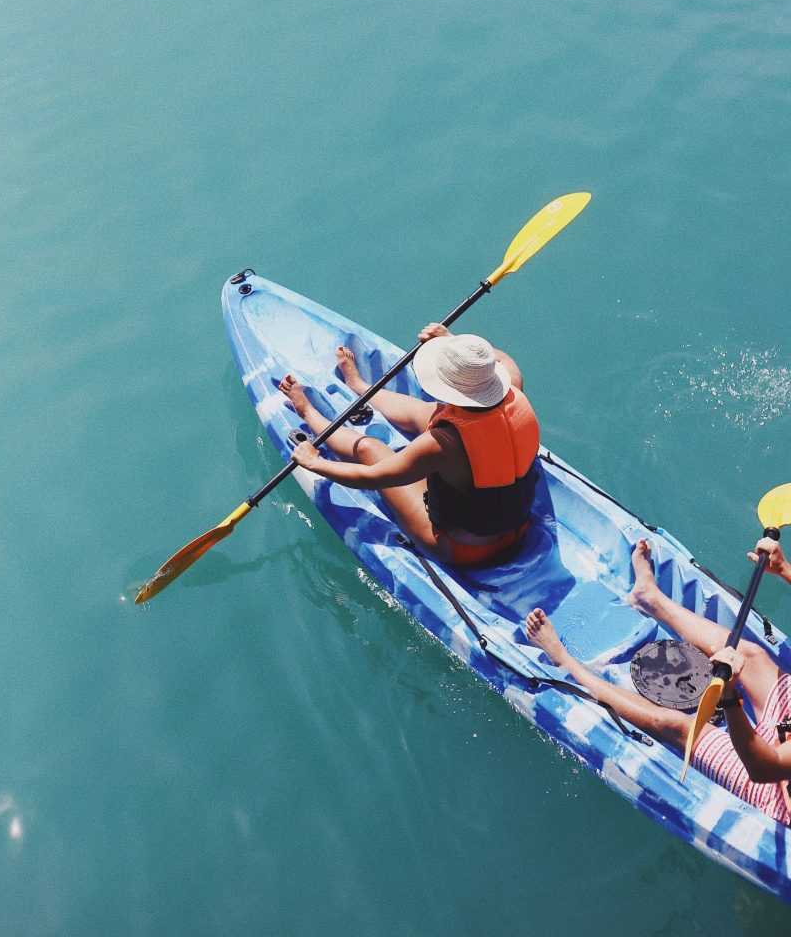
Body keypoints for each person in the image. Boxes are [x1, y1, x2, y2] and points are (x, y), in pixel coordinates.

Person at [525, 538, 791, 825]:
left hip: (775, 785)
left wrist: (728, 696)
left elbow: (764, 767)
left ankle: (567, 663)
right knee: (751, 655)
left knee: (678, 726)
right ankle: (649, 597)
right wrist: (784, 569)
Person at [281, 323, 540, 566]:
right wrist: (454, 345)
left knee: (370, 449)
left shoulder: (442, 444)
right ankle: (360, 386)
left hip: (463, 549)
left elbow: (371, 477)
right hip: (518, 525)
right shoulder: (514, 384)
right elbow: (502, 360)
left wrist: (314, 462)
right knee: (430, 413)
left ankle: (308, 413)